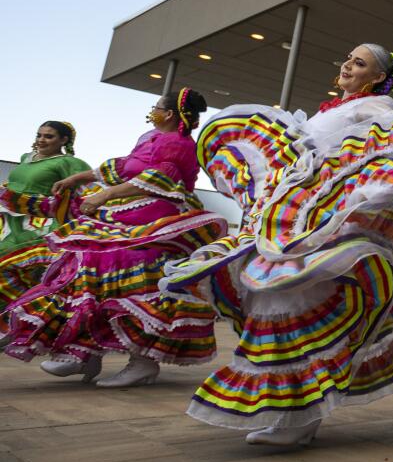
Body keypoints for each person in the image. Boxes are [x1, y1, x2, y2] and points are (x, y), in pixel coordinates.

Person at [162, 44, 393, 446]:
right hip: (293, 229)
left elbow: (391, 161)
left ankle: (300, 419)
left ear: (378, 77)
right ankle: (293, 414)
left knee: (291, 307)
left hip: (327, 233)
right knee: (269, 304)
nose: (347, 65)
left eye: (359, 63)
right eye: (347, 58)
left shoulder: (379, 110)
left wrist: (361, 215)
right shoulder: (327, 111)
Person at [3, 90, 227, 386]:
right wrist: (79, 179)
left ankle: (142, 361)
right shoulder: (151, 138)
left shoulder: (178, 143)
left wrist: (105, 195)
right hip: (127, 213)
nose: (153, 112)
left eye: (157, 108)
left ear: (170, 114)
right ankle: (83, 352)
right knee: (85, 271)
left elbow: (156, 180)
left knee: (129, 279)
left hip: (155, 219)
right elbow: (122, 167)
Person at [0, 122, 91, 309]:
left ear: (64, 140)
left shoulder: (69, 163)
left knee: (8, 258)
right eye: (39, 135)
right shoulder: (26, 157)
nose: (41, 140)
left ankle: (19, 311)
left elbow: (87, 190)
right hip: (7, 217)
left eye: (49, 136)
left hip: (36, 223)